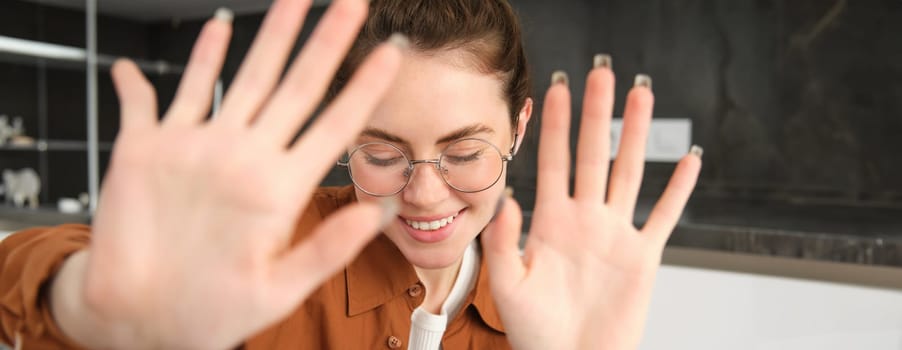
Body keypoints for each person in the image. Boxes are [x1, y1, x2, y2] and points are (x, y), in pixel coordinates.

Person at [0, 0, 702, 348]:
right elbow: (16, 266)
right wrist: (87, 310)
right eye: (383, 154)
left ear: (519, 129)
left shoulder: (554, 303)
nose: (424, 193)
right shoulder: (264, 246)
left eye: (464, 153)